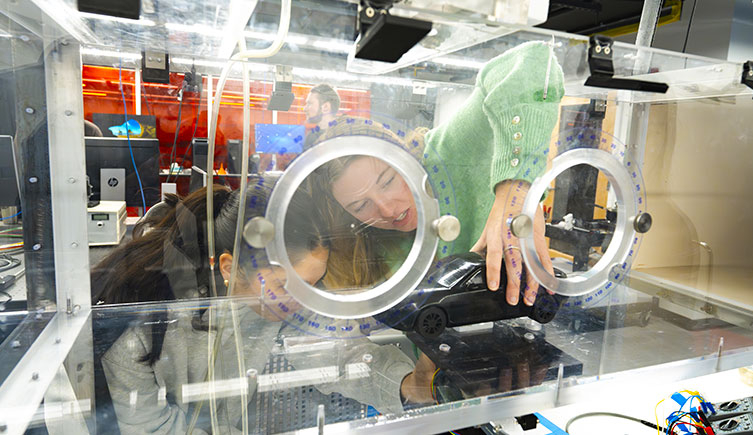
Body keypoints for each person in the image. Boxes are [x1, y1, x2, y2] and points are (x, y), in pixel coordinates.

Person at [91, 178, 435, 434]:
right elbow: (150, 427)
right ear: (229, 267)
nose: (302, 303)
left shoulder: (279, 304)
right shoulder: (142, 325)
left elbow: (339, 355)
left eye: (312, 285)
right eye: (286, 286)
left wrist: (409, 383)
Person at [312, 41, 563, 307]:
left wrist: (517, 189)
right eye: (361, 205)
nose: (386, 210)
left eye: (387, 181)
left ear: (404, 156)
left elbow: (532, 60)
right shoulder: (365, 246)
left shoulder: (446, 151)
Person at [303, 84, 340, 151]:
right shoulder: (311, 137)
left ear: (325, 107)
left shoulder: (344, 136)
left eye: (310, 103)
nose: (305, 109)